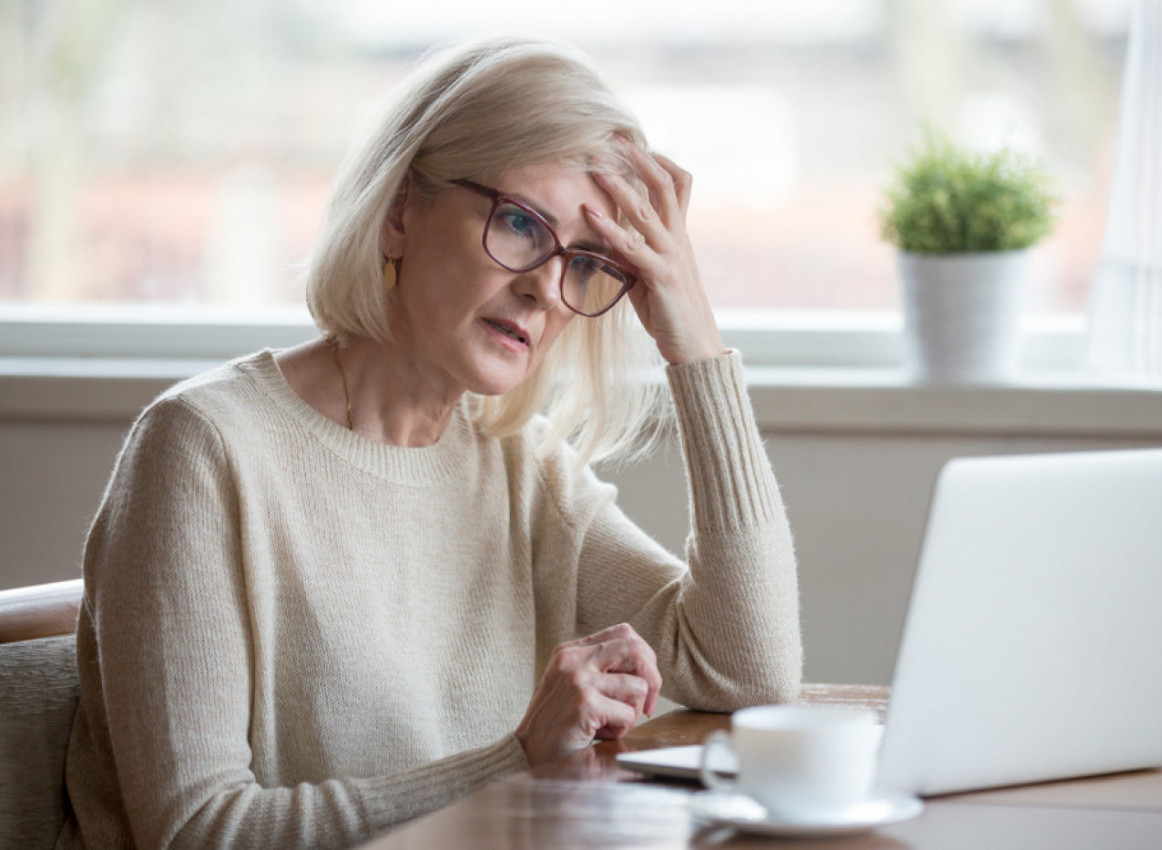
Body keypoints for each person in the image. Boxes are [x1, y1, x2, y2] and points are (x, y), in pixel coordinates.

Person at [58, 37, 801, 849]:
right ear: (401, 210)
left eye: (585, 263)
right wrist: (511, 762)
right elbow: (196, 832)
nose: (545, 289)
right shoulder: (203, 449)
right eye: (520, 223)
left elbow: (744, 669)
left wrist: (692, 339)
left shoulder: (521, 463)